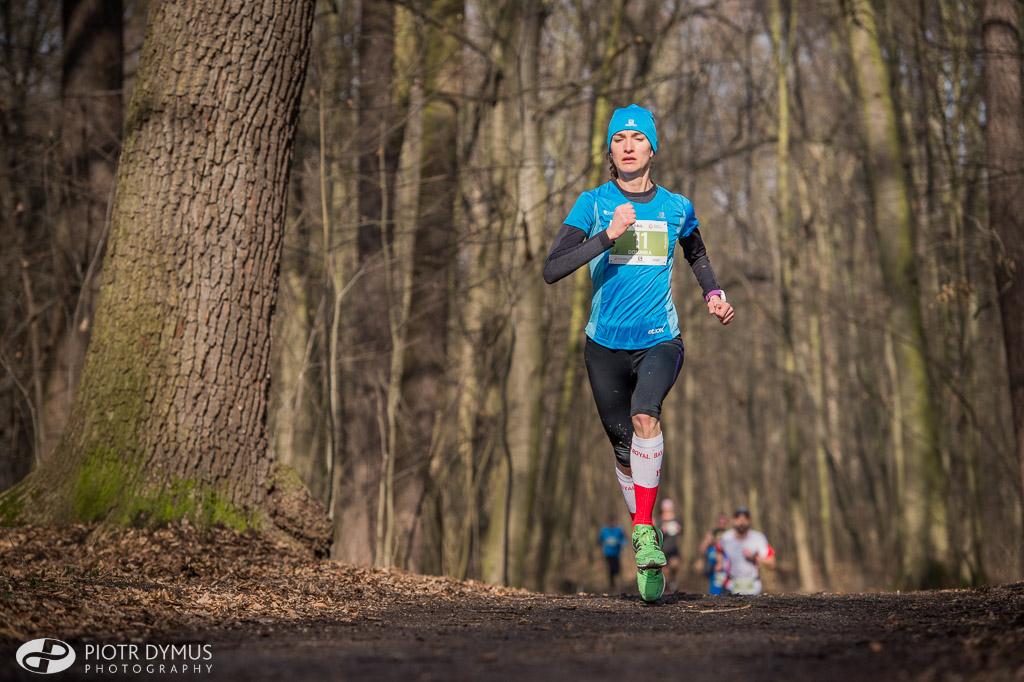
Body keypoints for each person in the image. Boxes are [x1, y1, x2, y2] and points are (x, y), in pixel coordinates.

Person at [543, 104, 734, 602]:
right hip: (603, 346)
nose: (628, 146)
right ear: (610, 151)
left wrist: (713, 293)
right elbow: (552, 268)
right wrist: (607, 236)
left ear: (652, 148)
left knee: (646, 415)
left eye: (638, 138)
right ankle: (645, 537)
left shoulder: (676, 206)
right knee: (625, 452)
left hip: (659, 339)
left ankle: (645, 534)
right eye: (619, 139)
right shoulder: (593, 203)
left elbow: (696, 252)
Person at [716, 507, 775, 595]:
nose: (741, 522)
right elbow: (718, 550)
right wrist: (720, 562)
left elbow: (772, 562)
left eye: (744, 519)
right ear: (733, 521)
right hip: (731, 585)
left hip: (753, 586)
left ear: (749, 521)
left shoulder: (758, 538)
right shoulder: (725, 538)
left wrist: (754, 558)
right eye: (738, 519)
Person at [698, 512, 729, 594]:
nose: (722, 525)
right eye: (720, 523)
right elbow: (702, 550)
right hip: (714, 569)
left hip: (726, 568)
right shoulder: (711, 534)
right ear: (717, 523)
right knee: (716, 589)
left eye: (724, 523)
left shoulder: (730, 535)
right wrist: (707, 541)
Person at [657, 498, 682, 593]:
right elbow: (657, 533)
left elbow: (682, 530)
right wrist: (662, 530)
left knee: (675, 565)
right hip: (663, 547)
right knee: (665, 569)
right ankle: (667, 585)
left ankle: (672, 581)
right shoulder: (660, 520)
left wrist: (679, 529)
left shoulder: (676, 519)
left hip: (674, 547)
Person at [598, 517, 626, 590]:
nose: (612, 524)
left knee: (616, 569)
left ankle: (617, 581)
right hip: (607, 553)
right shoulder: (604, 530)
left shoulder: (619, 530)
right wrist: (600, 545)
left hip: (616, 553)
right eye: (610, 522)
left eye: (613, 522)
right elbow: (600, 539)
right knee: (610, 568)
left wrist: (622, 544)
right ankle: (611, 584)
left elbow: (623, 539)